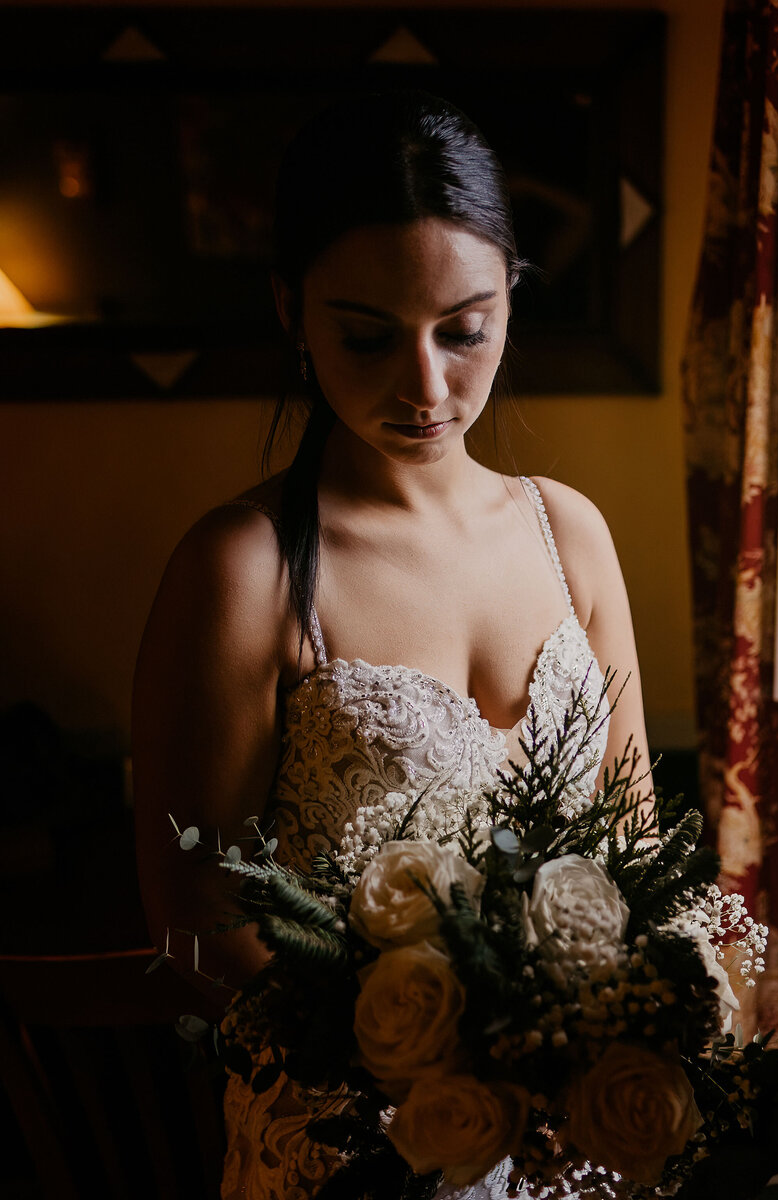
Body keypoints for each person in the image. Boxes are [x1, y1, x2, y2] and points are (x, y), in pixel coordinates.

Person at [133, 90, 652, 1200]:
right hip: (345, 1145)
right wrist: (404, 1069)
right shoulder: (244, 567)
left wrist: (593, 1051)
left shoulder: (571, 535)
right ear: (292, 311)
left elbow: (633, 842)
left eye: (463, 330)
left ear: (508, 298)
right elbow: (190, 921)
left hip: (569, 1129)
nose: (425, 388)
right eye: (367, 336)